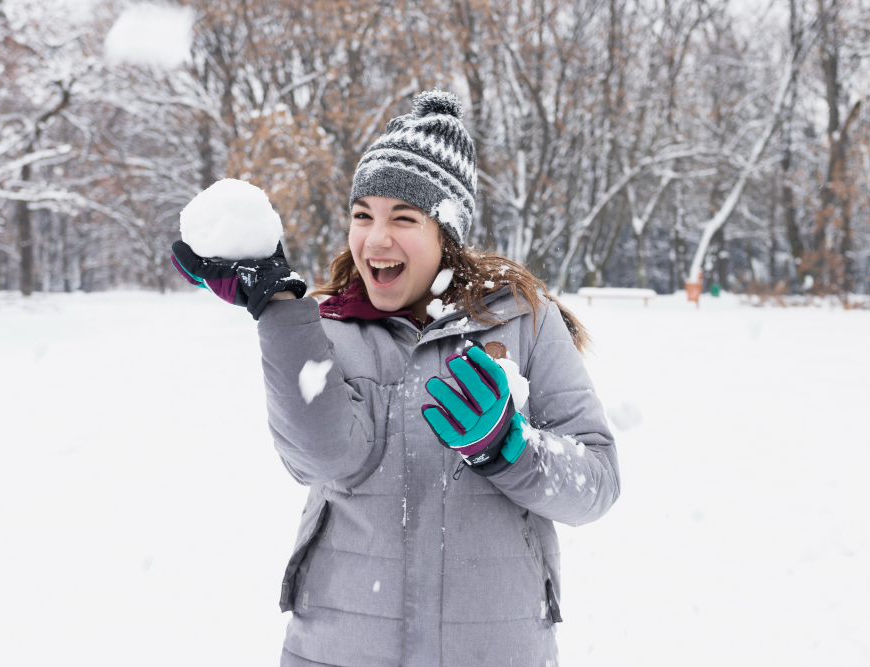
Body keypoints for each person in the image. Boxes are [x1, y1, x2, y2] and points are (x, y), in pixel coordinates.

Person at [170, 90, 620, 667]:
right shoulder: (329, 325)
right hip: (340, 649)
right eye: (363, 216)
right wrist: (280, 310)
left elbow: (597, 484)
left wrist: (511, 447)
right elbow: (324, 458)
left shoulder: (525, 322)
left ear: (447, 235)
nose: (376, 239)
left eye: (403, 218)